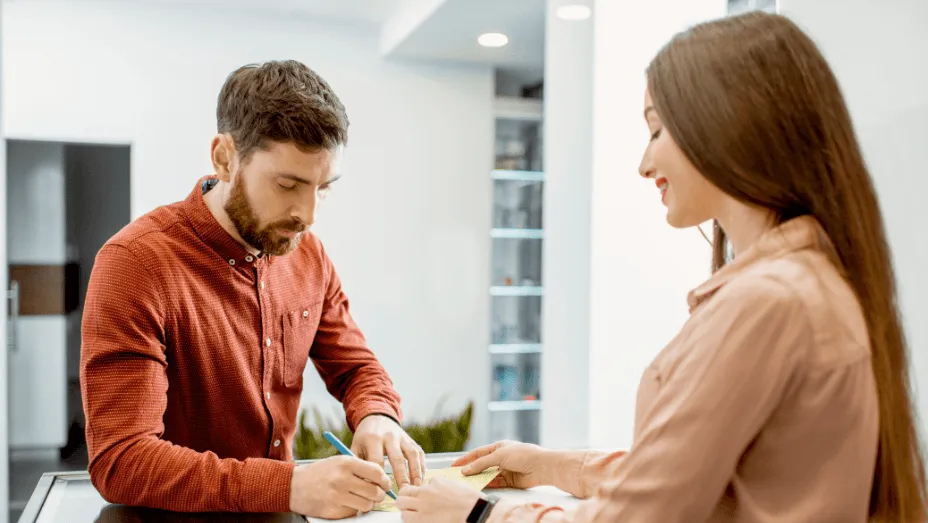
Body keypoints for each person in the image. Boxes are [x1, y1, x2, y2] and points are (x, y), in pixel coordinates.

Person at [396, 11, 928, 523]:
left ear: (725, 124)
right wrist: (549, 465)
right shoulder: (807, 282)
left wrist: (479, 514)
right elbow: (706, 478)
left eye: (656, 132)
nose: (644, 164)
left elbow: (642, 514)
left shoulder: (768, 301)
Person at [80, 60, 426, 519]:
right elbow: (122, 461)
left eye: (323, 187)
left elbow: (355, 367)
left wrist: (376, 415)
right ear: (225, 158)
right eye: (288, 184)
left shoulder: (308, 254)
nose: (308, 214)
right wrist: (286, 486)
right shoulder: (135, 264)